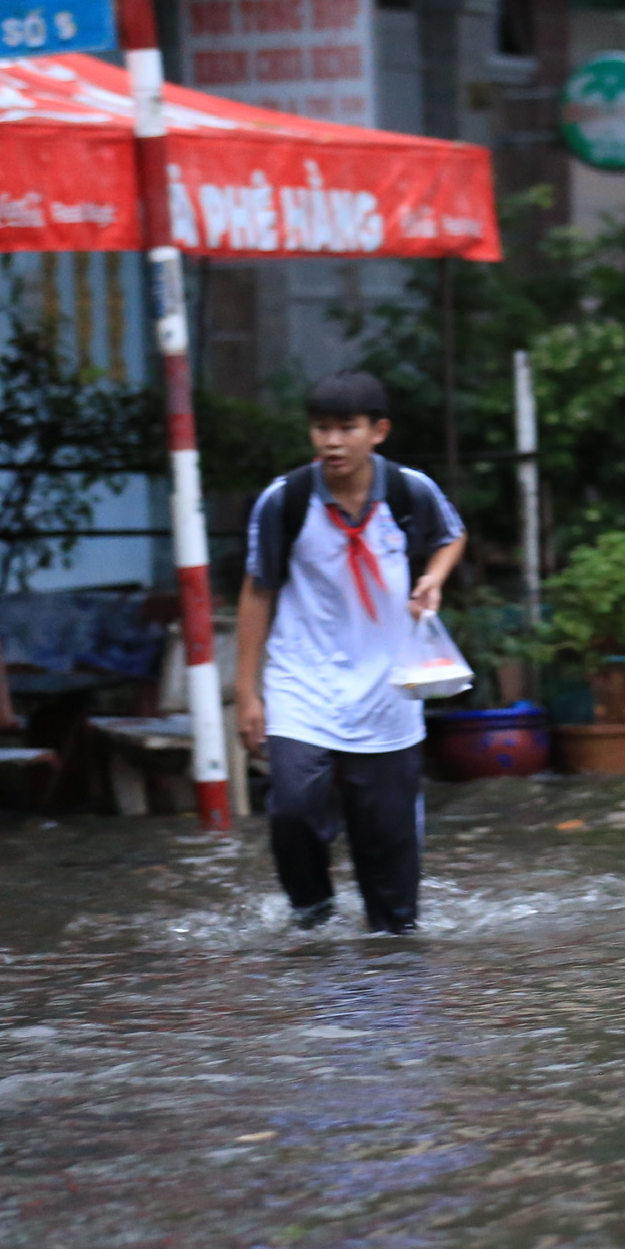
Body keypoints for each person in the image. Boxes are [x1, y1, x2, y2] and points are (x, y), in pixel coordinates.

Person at [235, 371, 467, 933]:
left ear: (377, 431)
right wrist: (246, 692)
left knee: (388, 852)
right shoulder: (284, 500)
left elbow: (450, 536)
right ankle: (311, 914)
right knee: (291, 808)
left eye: (346, 428)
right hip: (302, 682)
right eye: (321, 429)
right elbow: (257, 591)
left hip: (388, 686)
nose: (332, 442)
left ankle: (391, 963)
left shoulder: (411, 491)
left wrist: (433, 577)